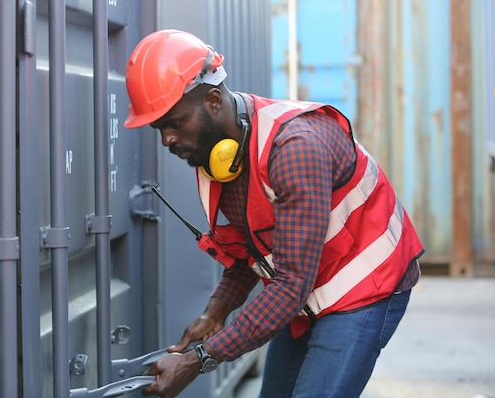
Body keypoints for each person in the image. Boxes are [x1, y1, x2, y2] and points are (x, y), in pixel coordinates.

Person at [124, 29, 424, 398]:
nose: (167, 140)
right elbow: (250, 253)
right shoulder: (216, 158)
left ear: (214, 101)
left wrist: (198, 360)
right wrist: (216, 311)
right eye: (159, 129)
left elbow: (291, 283)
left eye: (174, 123)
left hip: (364, 285)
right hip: (305, 291)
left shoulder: (294, 148)